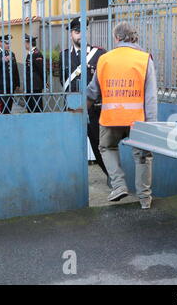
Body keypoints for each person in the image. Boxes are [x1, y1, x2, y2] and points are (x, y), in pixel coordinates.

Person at [87, 21, 157, 210]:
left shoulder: (105, 59)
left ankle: (118, 185)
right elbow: (150, 97)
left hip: (110, 118)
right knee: (143, 156)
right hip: (138, 121)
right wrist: (151, 125)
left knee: (107, 147)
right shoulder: (144, 59)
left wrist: (82, 109)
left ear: (116, 38)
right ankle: (144, 199)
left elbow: (92, 92)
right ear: (134, 37)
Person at [59, 17, 110, 186]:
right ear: (71, 34)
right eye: (76, 31)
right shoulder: (64, 56)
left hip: (94, 109)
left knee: (99, 145)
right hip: (73, 108)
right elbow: (62, 81)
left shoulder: (99, 54)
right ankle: (71, 181)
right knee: (71, 145)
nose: (80, 35)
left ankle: (111, 176)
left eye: (83, 31)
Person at [0, 34, 20, 114]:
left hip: (11, 85)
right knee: (2, 105)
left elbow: (15, 69)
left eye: (9, 43)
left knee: (9, 105)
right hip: (0, 85)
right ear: (0, 43)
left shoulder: (11, 54)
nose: (8, 45)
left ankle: (7, 118)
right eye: (6, 43)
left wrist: (17, 83)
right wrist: (1, 61)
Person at [24, 34, 44, 113]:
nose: (25, 45)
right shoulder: (30, 53)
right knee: (30, 107)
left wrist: (44, 83)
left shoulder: (37, 54)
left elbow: (41, 70)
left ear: (28, 43)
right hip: (30, 85)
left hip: (35, 85)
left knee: (36, 107)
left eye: (25, 43)